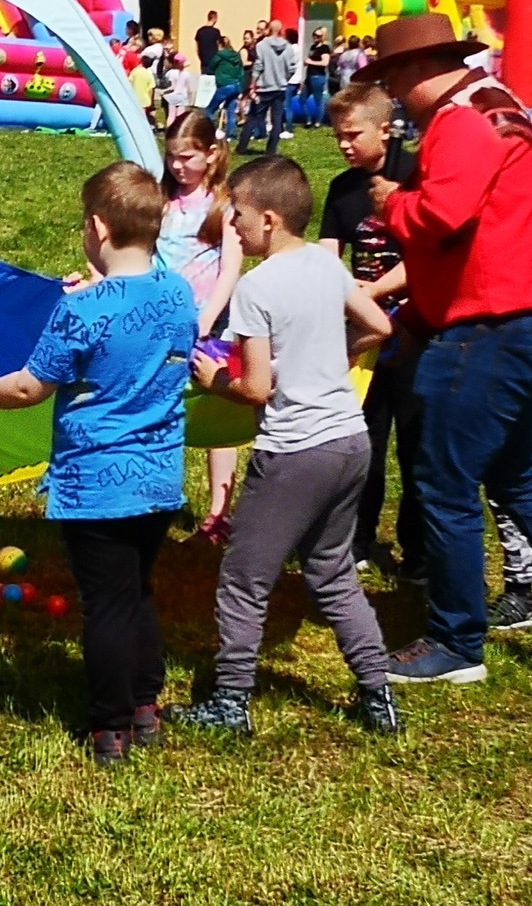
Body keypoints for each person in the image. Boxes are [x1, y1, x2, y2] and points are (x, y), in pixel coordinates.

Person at [357, 13, 532, 684]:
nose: (394, 97)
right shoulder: (499, 109)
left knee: (443, 479)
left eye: (393, 80)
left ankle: (455, 642)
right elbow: (472, 238)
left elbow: (439, 217)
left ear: (420, 70)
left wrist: (392, 204)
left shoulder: (459, 123)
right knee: (514, 471)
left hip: (496, 323)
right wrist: (417, 315)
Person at [0, 161, 194, 769]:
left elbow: (29, 387)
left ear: (98, 228)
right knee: (134, 590)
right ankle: (144, 706)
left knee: (106, 604)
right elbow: (141, 327)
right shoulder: (179, 292)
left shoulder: (81, 311)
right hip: (158, 478)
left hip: (98, 484)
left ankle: (110, 727)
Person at [175, 156, 400, 736]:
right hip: (349, 441)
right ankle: (377, 694)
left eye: (239, 215)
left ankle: (230, 703)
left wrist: (213, 381)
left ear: (269, 219)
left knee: (243, 579)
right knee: (332, 571)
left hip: (294, 452)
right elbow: (380, 325)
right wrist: (326, 357)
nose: (233, 225)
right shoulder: (326, 264)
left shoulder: (257, 286)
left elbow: (255, 388)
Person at [159, 110, 245, 515]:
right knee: (161, 408)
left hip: (210, 326)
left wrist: (207, 320)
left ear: (211, 154)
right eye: (171, 156)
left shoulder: (224, 206)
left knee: (217, 412)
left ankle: (218, 512)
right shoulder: (162, 202)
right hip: (162, 323)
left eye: (187, 157)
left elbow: (230, 269)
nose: (178, 166)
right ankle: (161, 497)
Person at [249, 25, 301, 155]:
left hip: (269, 85)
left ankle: (261, 133)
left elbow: (260, 65)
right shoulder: (290, 47)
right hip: (283, 84)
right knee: (278, 116)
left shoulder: (265, 46)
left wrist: (254, 83)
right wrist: (284, 77)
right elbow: (291, 67)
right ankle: (273, 144)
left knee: (260, 113)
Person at [204, 34, 247, 140]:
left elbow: (211, 66)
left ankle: (211, 131)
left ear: (220, 44)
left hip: (224, 85)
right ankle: (230, 135)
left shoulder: (220, 55)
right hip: (236, 85)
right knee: (231, 111)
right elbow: (241, 71)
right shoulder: (236, 55)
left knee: (209, 110)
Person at [193, 10, 223, 86]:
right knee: (213, 84)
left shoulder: (200, 31)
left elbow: (197, 48)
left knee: (205, 84)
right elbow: (219, 47)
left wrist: (201, 58)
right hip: (214, 62)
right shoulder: (216, 32)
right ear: (214, 18)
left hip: (204, 62)